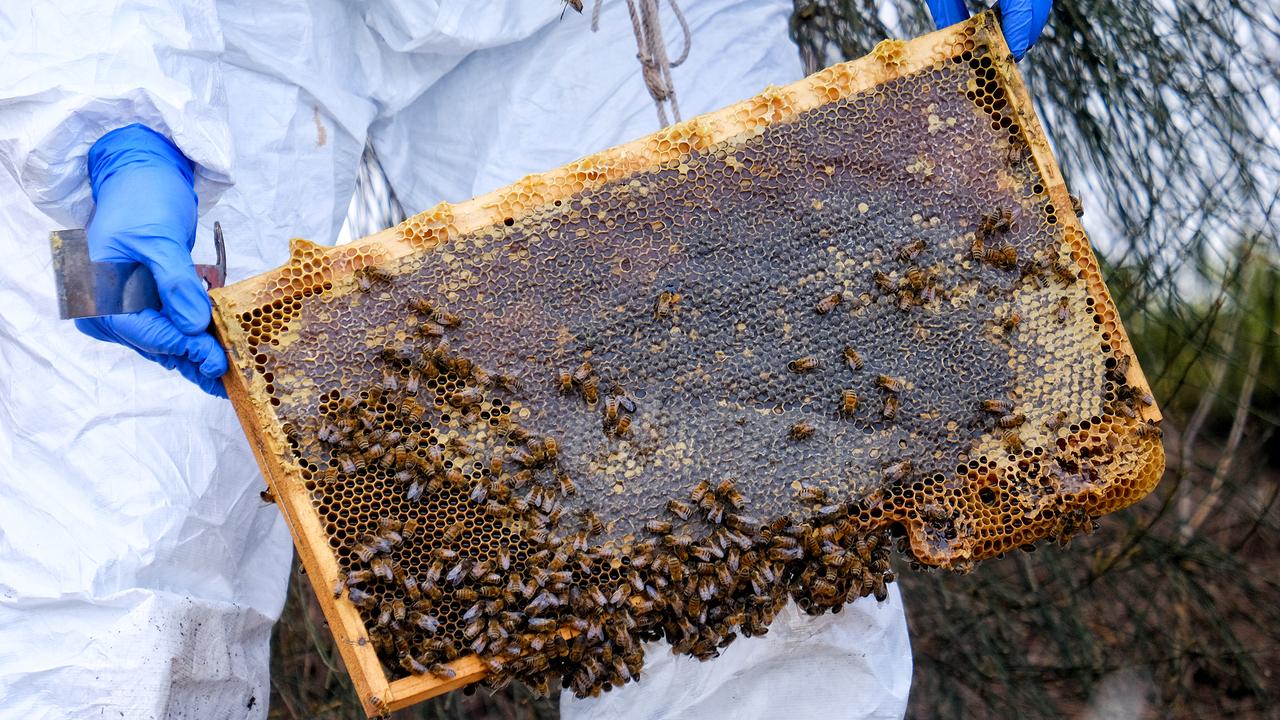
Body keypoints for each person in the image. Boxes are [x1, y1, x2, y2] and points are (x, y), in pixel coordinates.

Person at [0, 1, 1049, 718]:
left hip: (593, 20)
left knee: (756, 496)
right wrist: (107, 130)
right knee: (113, 550)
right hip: (213, 25)